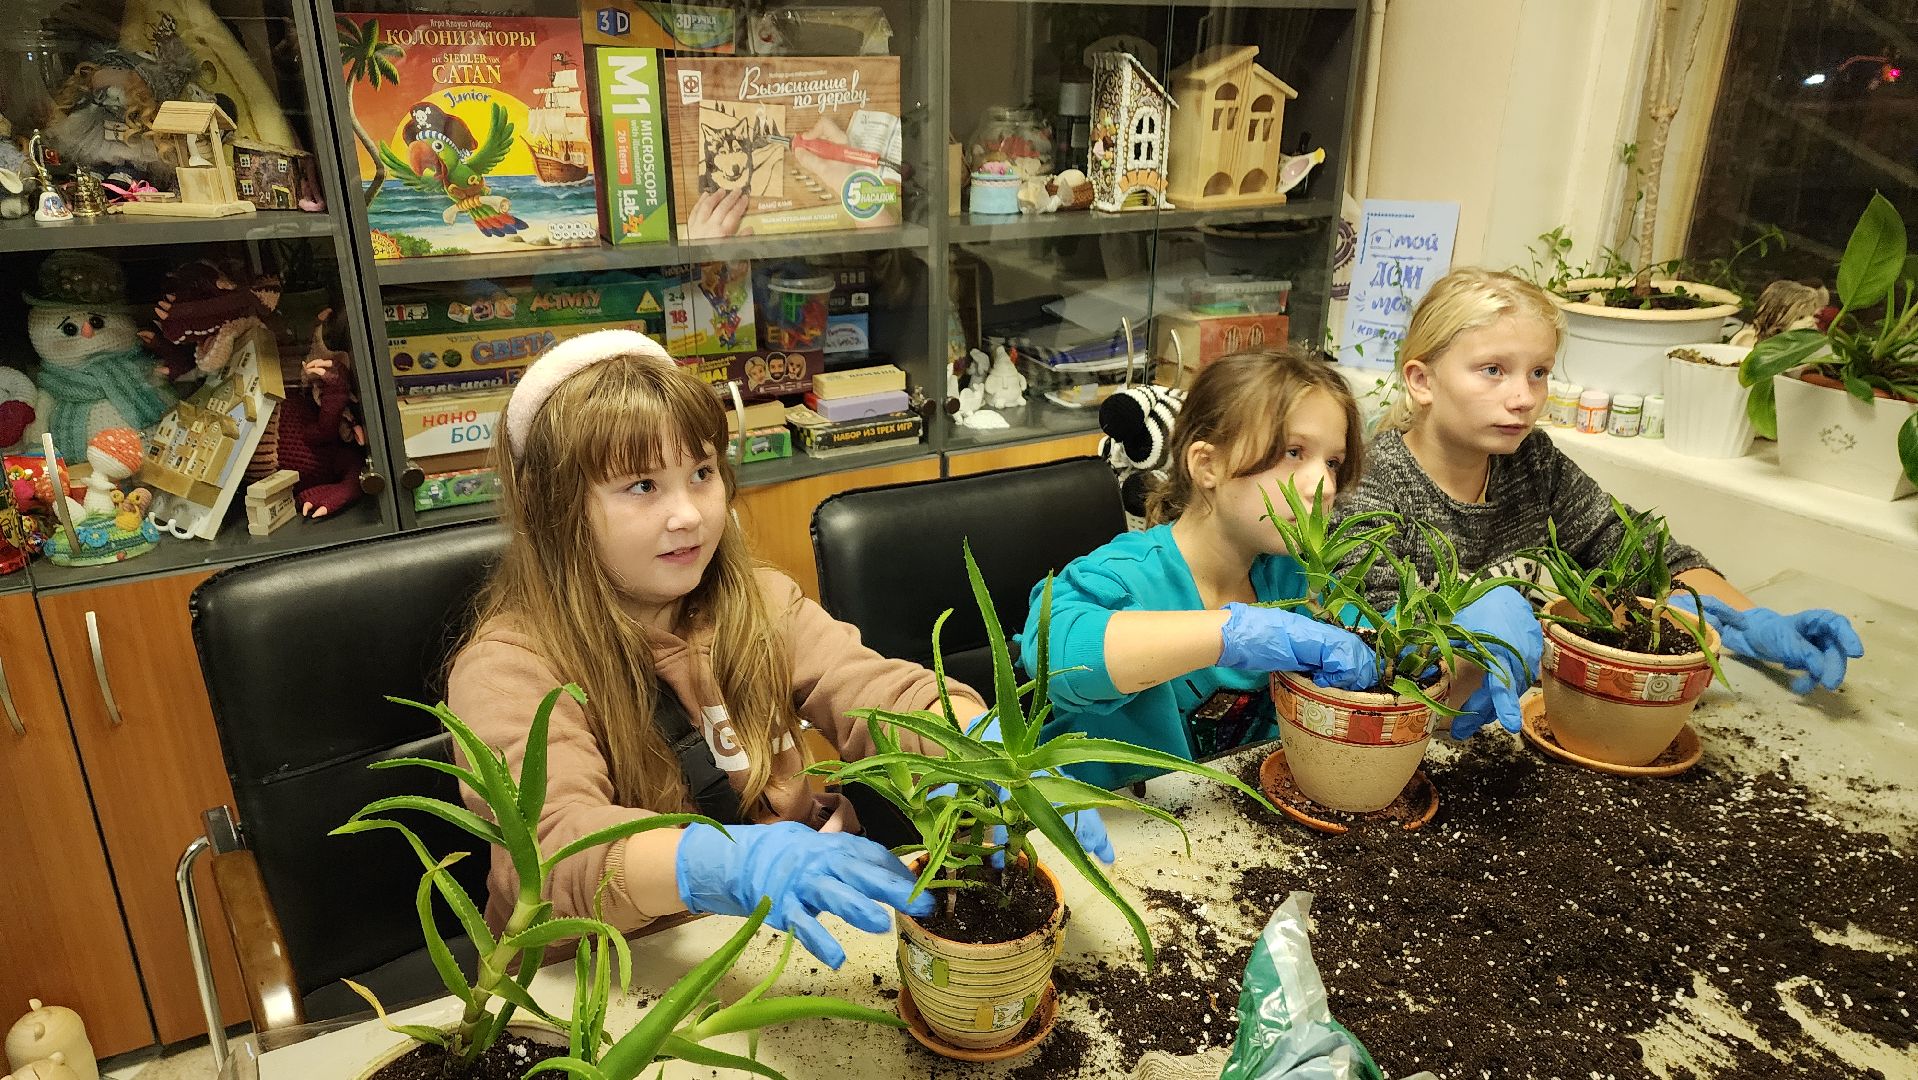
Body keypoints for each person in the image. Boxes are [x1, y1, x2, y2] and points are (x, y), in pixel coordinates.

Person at [446, 329, 1107, 970]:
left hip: (779, 938)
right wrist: (720, 863)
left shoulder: (758, 600)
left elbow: (870, 691)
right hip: (606, 979)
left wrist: (982, 752)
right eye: (642, 486)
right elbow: (558, 852)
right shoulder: (507, 668)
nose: (689, 514)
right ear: (548, 504)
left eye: (701, 472)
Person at [1340, 267, 1863, 720]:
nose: (1523, 398)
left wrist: (1751, 620)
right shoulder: (1372, 486)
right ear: (1421, 381)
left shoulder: (1531, 462)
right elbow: (1371, 663)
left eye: (1538, 373)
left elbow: (1642, 551)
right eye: (1493, 371)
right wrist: (1465, 645)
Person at [1015, 348, 1534, 791]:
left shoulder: (1299, 581)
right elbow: (1057, 652)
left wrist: (1464, 642)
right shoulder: (1126, 575)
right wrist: (1233, 633)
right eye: (1293, 452)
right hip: (1112, 838)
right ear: (1207, 464)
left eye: (1332, 462)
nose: (1324, 486)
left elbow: (1387, 687)